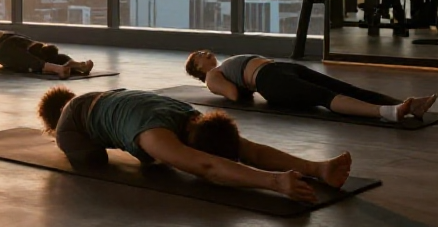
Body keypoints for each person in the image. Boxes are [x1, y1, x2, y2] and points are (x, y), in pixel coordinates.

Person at [38, 86, 352, 202]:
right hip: (75, 122)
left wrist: (316, 168)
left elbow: (250, 150)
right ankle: (54, 135)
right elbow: (207, 166)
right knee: (94, 163)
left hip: (113, 99)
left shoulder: (195, 118)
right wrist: (275, 183)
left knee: (156, 163)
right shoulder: (155, 134)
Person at [184, 51, 437, 122]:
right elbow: (234, 95)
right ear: (199, 69)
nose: (205, 53)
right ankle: (389, 113)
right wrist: (235, 83)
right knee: (326, 96)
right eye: (199, 56)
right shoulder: (212, 77)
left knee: (344, 86)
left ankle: (406, 104)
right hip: (270, 81)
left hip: (279, 69)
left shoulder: (219, 68)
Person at [0, 30, 94, 79]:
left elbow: (26, 62)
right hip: (15, 37)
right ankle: (76, 64)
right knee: (43, 53)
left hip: (4, 46)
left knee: (27, 62)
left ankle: (58, 68)